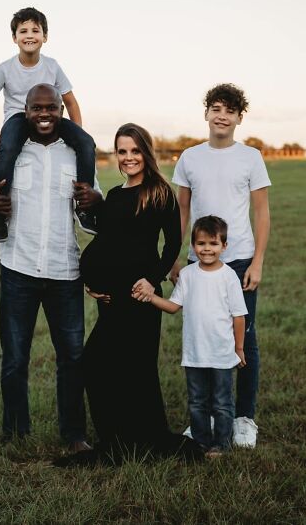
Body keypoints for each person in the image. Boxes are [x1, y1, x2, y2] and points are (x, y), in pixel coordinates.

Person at [0, 84, 100, 452]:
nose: (43, 114)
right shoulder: (6, 153)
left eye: (51, 108)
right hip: (18, 268)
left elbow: (96, 198)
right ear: (24, 110)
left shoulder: (75, 153)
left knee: (72, 358)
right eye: (36, 108)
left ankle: (74, 435)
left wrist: (95, 198)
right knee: (15, 358)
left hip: (65, 271)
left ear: (61, 110)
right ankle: (15, 434)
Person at [69, 123, 203, 465]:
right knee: (103, 366)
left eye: (134, 150)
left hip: (140, 298)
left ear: (146, 152)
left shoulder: (159, 193)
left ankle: (141, 437)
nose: (128, 157)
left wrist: (152, 279)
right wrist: (93, 281)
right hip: (112, 299)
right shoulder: (115, 195)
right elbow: (108, 242)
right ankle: (116, 437)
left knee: (134, 369)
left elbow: (172, 242)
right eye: (122, 151)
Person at [170, 83, 271, 448]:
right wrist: (176, 258)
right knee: (202, 334)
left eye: (230, 110)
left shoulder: (251, 157)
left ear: (239, 118)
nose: (222, 116)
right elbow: (181, 211)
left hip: (239, 259)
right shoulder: (189, 157)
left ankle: (243, 417)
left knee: (245, 337)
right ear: (206, 114)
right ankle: (205, 416)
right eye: (216, 108)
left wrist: (256, 261)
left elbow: (261, 212)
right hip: (199, 261)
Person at [0, 6, 97, 242]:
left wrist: (76, 133)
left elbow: (71, 103)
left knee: (87, 143)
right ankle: (0, 217)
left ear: (45, 36)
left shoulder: (52, 66)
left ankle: (83, 208)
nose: (29, 35)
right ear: (14, 38)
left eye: (35, 30)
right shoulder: (5, 68)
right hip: (18, 118)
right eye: (23, 31)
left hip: (52, 118)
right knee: (8, 150)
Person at [142, 216, 248, 456]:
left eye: (213, 243)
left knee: (221, 401)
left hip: (222, 352)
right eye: (201, 244)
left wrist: (239, 348)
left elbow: (239, 316)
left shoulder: (229, 276)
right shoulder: (188, 275)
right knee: (197, 401)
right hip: (195, 353)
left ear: (224, 246)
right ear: (193, 245)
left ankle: (221, 443)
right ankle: (200, 442)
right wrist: (150, 297)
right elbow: (173, 306)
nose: (207, 249)